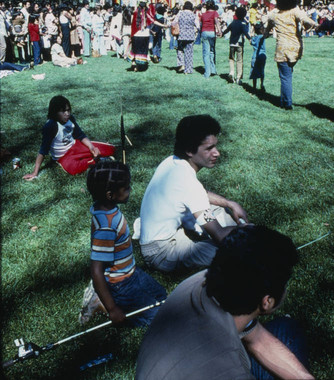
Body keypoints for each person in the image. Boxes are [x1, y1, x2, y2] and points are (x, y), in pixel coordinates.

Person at [136, 225, 314, 380]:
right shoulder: (226, 372)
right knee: (289, 334)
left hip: (183, 362)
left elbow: (257, 339)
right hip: (212, 367)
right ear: (267, 302)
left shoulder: (206, 283)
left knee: (286, 328)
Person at [139, 115, 248, 273]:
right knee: (232, 252)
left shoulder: (173, 161)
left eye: (215, 147)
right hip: (160, 252)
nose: (217, 153)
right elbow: (218, 234)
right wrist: (248, 230)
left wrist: (230, 204)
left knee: (219, 210)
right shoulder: (188, 183)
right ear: (190, 150)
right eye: (209, 148)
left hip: (161, 237)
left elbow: (200, 194)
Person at [81, 160, 167, 327]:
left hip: (132, 272)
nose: (130, 190)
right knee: (157, 319)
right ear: (110, 195)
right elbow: (96, 269)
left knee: (162, 297)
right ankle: (103, 303)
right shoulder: (105, 227)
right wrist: (112, 309)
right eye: (126, 187)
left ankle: (107, 299)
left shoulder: (108, 209)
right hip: (120, 284)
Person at [23, 95, 115, 179]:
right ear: (54, 112)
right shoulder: (50, 126)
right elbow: (43, 151)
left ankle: (98, 156)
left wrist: (91, 147)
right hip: (63, 156)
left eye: (68, 110)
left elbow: (80, 135)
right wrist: (35, 172)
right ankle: (96, 161)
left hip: (74, 146)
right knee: (73, 168)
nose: (67, 113)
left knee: (110, 149)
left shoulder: (70, 119)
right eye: (63, 111)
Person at [264, 0, 317, 110]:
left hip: (282, 49)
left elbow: (266, 29)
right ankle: (284, 100)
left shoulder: (274, 14)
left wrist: (264, 34)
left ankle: (287, 103)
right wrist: (312, 26)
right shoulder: (295, 11)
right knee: (288, 74)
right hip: (295, 48)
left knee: (285, 77)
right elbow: (307, 21)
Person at [222, 6, 251, 85]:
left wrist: (222, 33)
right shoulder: (243, 23)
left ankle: (231, 72)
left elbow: (227, 29)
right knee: (239, 60)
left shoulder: (233, 22)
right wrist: (250, 39)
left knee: (231, 59)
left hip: (232, 43)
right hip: (239, 43)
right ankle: (238, 77)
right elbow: (245, 32)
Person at [172, 1, 198, 74]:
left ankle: (181, 64)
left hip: (181, 35)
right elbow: (198, 25)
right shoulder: (193, 15)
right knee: (189, 52)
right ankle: (188, 69)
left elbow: (174, 23)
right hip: (190, 35)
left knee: (180, 49)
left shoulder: (180, 14)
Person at [200, 0, 222, 78]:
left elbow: (201, 24)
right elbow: (216, 22)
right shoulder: (215, 13)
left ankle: (207, 73)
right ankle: (213, 70)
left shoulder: (203, 14)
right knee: (212, 51)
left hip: (204, 32)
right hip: (212, 33)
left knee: (206, 53)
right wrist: (220, 31)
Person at [249, 23, 266, 91]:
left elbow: (251, 43)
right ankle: (261, 84)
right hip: (262, 56)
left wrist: (251, 34)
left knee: (254, 71)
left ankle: (254, 87)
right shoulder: (262, 37)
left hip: (255, 56)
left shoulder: (254, 38)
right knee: (262, 70)